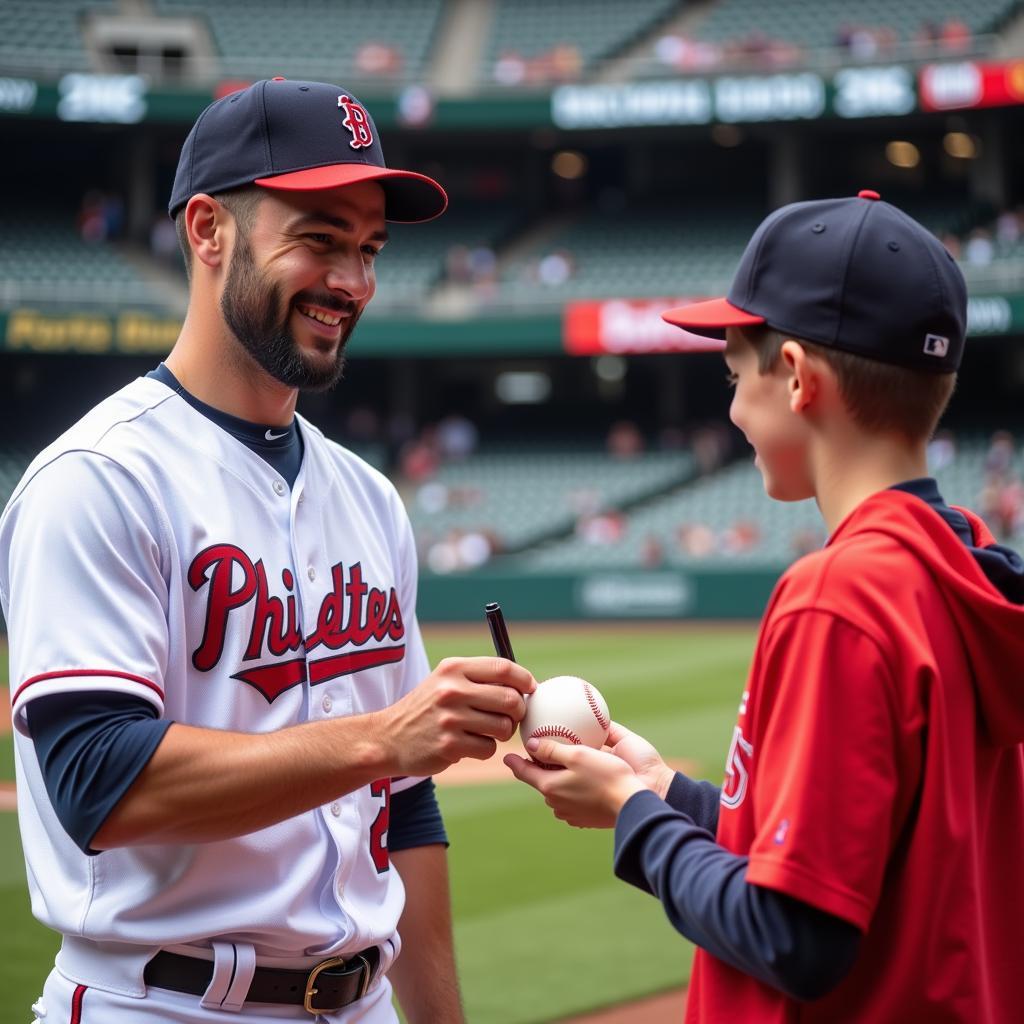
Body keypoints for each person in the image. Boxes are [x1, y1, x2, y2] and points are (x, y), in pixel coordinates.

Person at [1, 78, 537, 1023]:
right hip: (160, 1003)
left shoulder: (368, 500)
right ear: (209, 230)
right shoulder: (98, 478)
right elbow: (98, 780)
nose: (354, 283)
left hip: (360, 1000)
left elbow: (402, 807)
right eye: (321, 240)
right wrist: (383, 737)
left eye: (369, 249)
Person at [505, 190, 1024, 1021]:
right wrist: (665, 789)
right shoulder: (964, 563)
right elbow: (846, 860)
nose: (734, 408)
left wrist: (630, 814)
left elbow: (797, 935)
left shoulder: (841, 592)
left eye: (734, 375)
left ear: (794, 378)